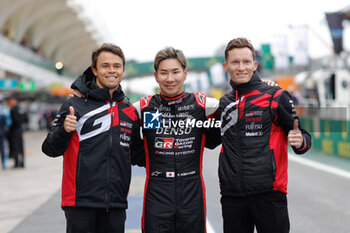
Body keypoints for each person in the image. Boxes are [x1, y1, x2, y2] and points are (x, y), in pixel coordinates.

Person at [42, 43, 145, 233]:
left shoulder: (129, 111)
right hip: (79, 203)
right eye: (105, 66)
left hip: (115, 204)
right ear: (95, 70)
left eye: (117, 66)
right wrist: (64, 130)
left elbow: (139, 155)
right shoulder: (74, 104)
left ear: (123, 70)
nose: (111, 70)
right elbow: (49, 149)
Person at [217, 38, 312, 233]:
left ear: (255, 64)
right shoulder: (223, 103)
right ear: (226, 66)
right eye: (235, 62)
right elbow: (208, 138)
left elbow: (303, 137)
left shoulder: (276, 96)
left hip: (269, 195)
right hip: (232, 196)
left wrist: (300, 141)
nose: (241, 67)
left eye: (246, 62)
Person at [6, 95, 25, 168]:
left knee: (15, 147)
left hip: (14, 131)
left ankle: (17, 163)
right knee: (20, 147)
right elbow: (25, 119)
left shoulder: (13, 110)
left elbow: (13, 121)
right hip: (20, 130)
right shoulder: (21, 109)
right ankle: (22, 163)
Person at [0, 101, 12, 169]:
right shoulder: (5, 111)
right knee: (3, 149)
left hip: (2, 133)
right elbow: (9, 122)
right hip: (2, 133)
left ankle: (4, 163)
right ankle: (4, 163)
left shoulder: (4, 111)